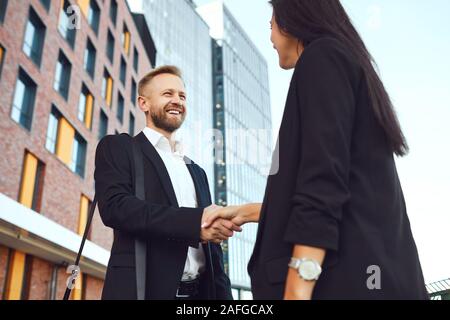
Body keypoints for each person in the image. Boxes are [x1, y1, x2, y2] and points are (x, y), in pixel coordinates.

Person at [203, 0, 428, 300]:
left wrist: (298, 287)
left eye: (273, 16)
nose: (270, 28)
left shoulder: (322, 57)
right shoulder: (343, 61)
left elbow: (323, 184)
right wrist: (245, 212)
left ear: (295, 15)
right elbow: (344, 189)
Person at [95, 65, 239, 300]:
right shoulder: (119, 147)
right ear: (144, 103)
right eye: (167, 94)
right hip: (144, 292)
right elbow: (116, 208)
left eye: (182, 96)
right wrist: (196, 223)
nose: (177, 101)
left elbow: (212, 253)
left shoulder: (197, 171)